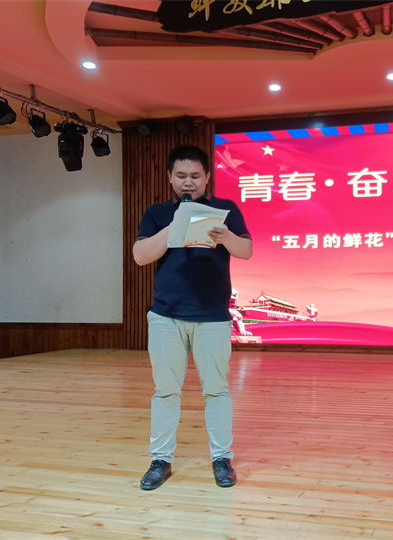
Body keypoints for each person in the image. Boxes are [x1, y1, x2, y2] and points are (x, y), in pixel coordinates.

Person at [133, 145, 252, 490]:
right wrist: (173, 228)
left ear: (207, 177)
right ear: (170, 177)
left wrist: (226, 236)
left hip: (213, 316)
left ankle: (221, 459)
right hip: (166, 316)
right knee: (165, 391)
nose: (189, 182)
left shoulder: (226, 209)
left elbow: (246, 250)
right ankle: (160, 460)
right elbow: (140, 256)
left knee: (216, 390)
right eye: (181, 176)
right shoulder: (157, 213)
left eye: (195, 176)